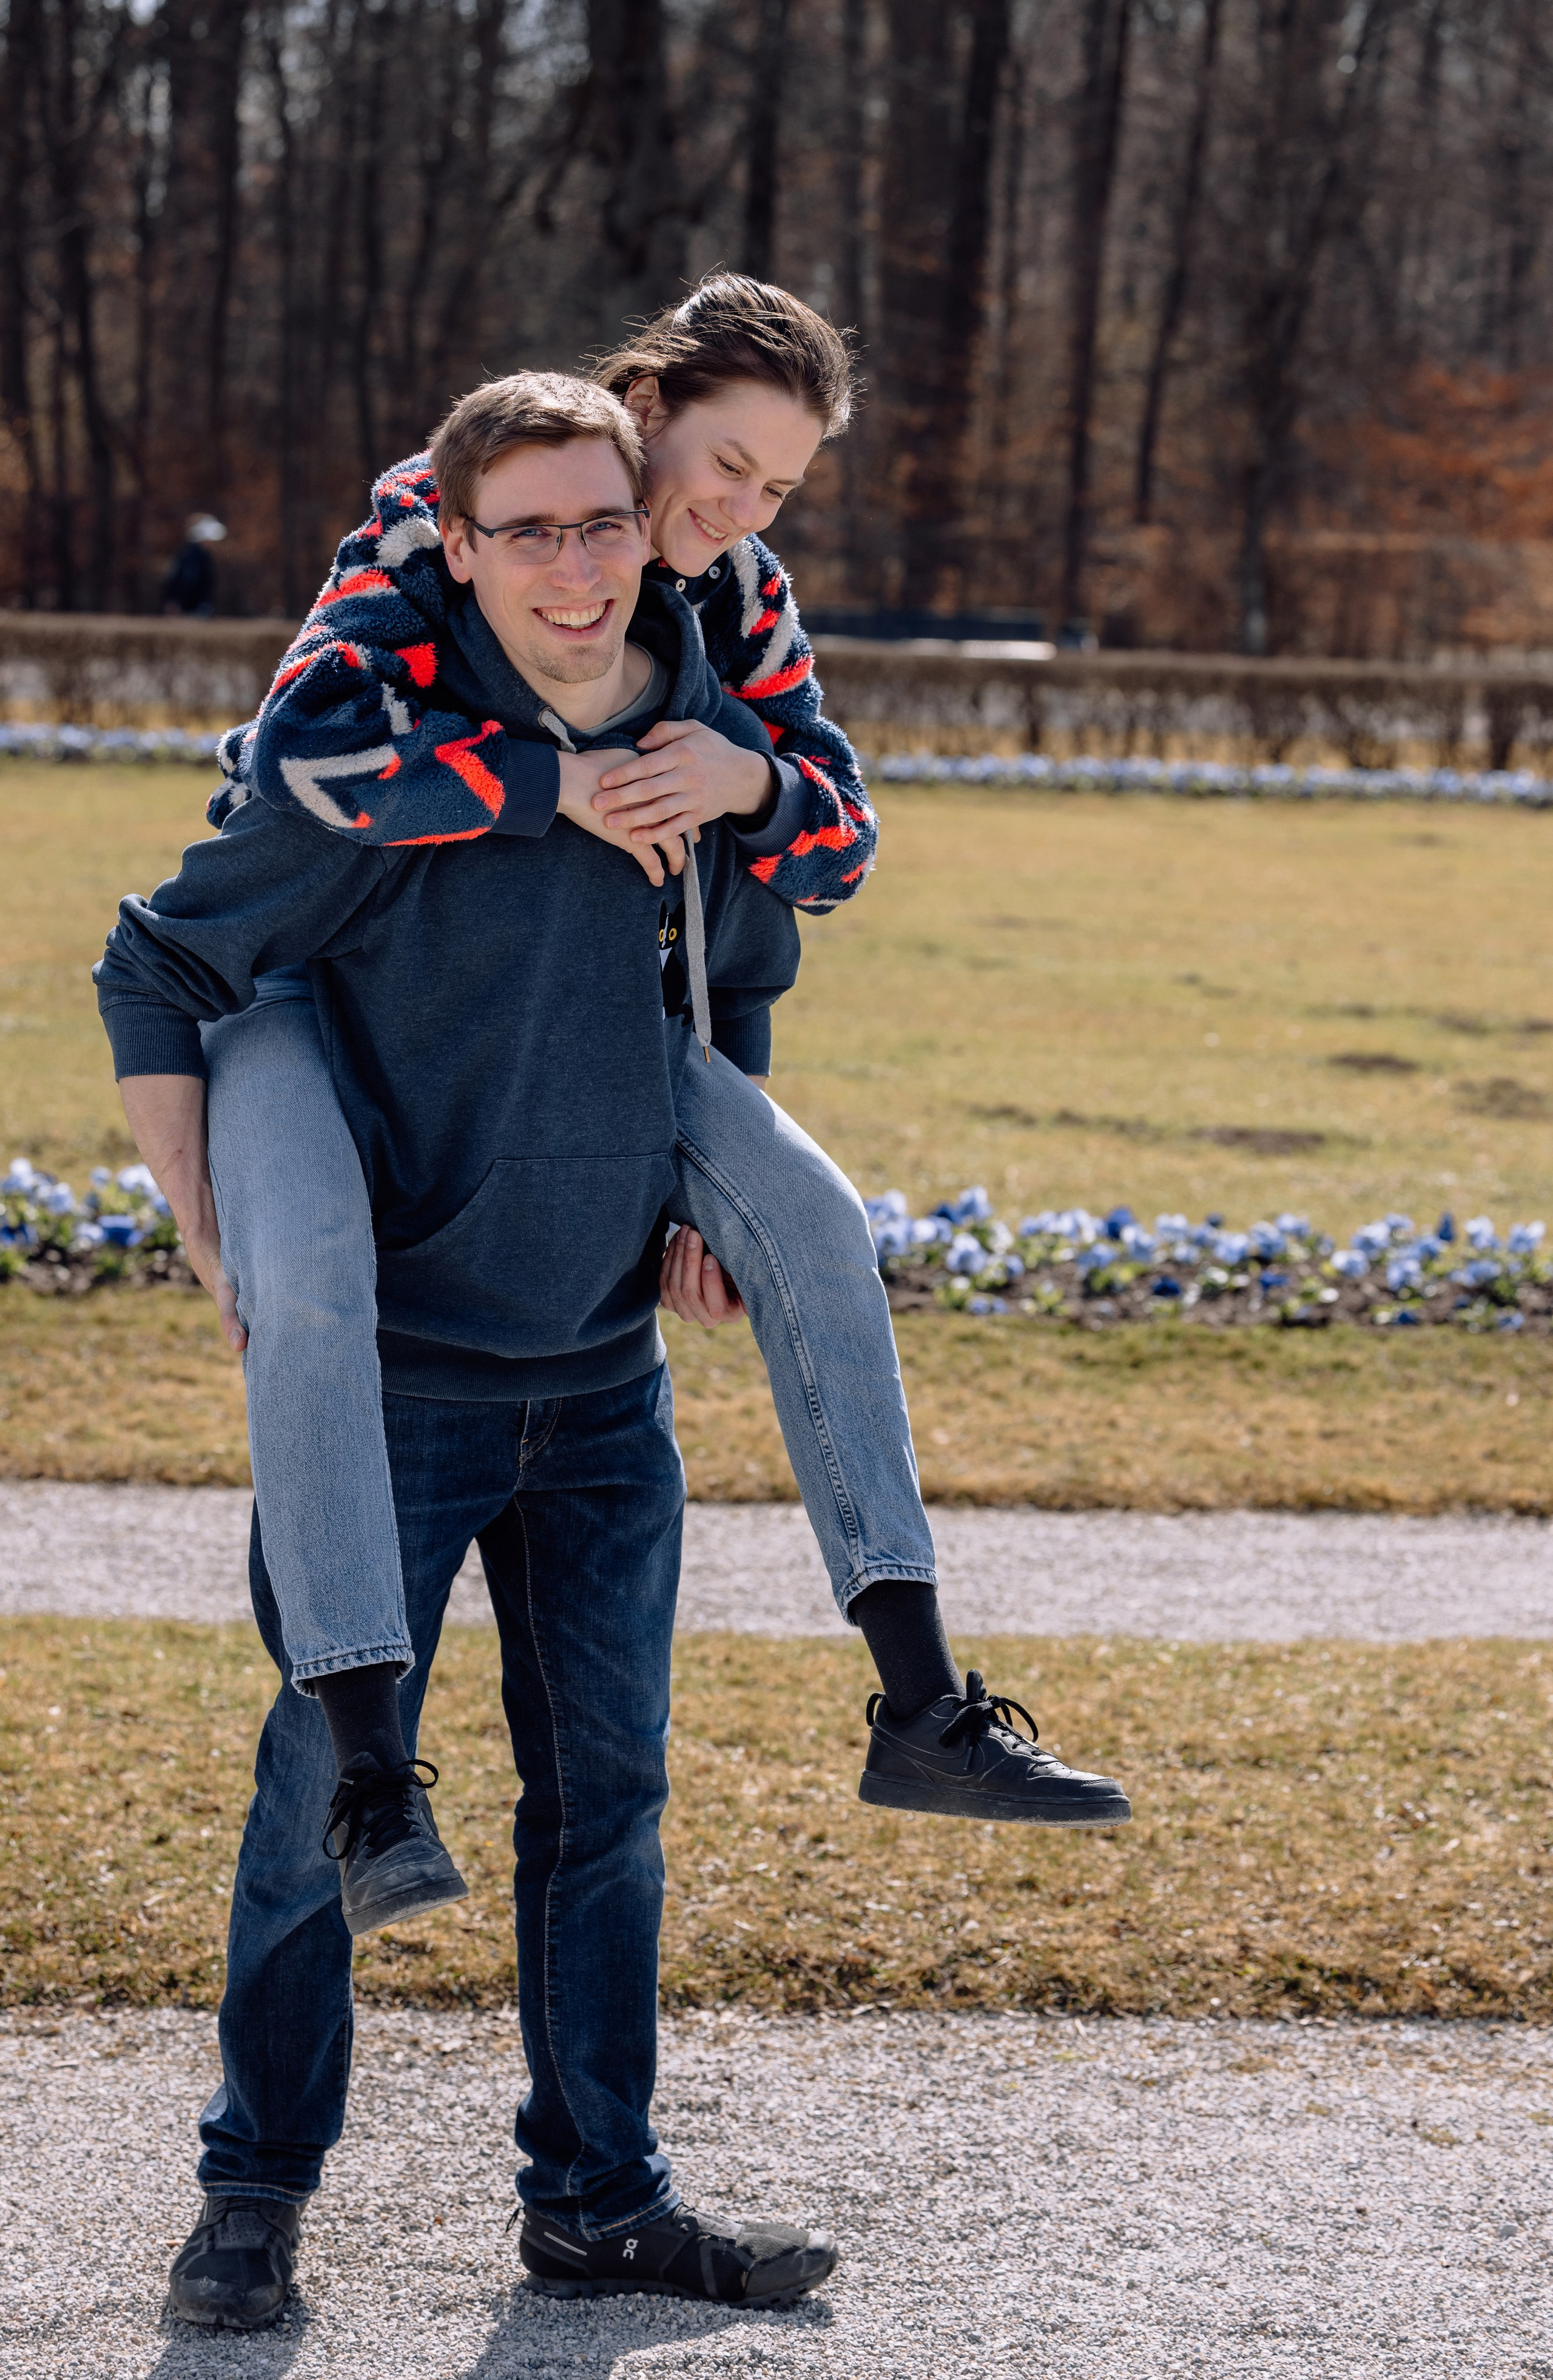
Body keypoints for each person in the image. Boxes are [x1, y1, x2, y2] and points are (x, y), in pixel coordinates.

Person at [201, 276, 1133, 1867]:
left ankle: (923, 1708)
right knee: (318, 1289)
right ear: (645, 407)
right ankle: (365, 1777)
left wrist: (755, 777)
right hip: (344, 990)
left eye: (778, 486)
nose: (741, 509)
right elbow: (303, 753)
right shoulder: (450, 518)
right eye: (723, 464)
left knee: (820, 1222)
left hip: (595, 1031)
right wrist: (549, 783)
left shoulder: (739, 598)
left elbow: (833, 855)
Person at [96, 374, 841, 2326]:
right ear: (454, 543)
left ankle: (599, 2195)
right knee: (316, 1812)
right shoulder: (376, 771)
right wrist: (210, 1220)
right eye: (533, 533)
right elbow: (158, 957)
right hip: (398, 1397)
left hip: (604, 1388)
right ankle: (251, 2198)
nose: (584, 568)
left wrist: (709, 1177)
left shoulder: (683, 759)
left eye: (612, 524)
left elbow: (744, 977)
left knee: (609, 1806)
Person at [161, 513, 226, 615]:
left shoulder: (197, 555)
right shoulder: (194, 557)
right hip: (192, 608)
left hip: (196, 607)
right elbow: (187, 580)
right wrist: (176, 601)